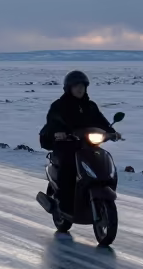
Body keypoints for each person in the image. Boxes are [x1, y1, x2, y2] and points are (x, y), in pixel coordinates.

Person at [39, 70, 120, 212]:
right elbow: (52, 123)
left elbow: (101, 121)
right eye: (76, 85)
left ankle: (101, 190)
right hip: (66, 144)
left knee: (104, 159)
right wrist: (58, 133)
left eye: (82, 85)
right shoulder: (59, 105)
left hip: (86, 143)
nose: (79, 88)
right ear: (69, 88)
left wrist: (111, 133)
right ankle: (64, 205)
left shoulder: (91, 106)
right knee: (69, 164)